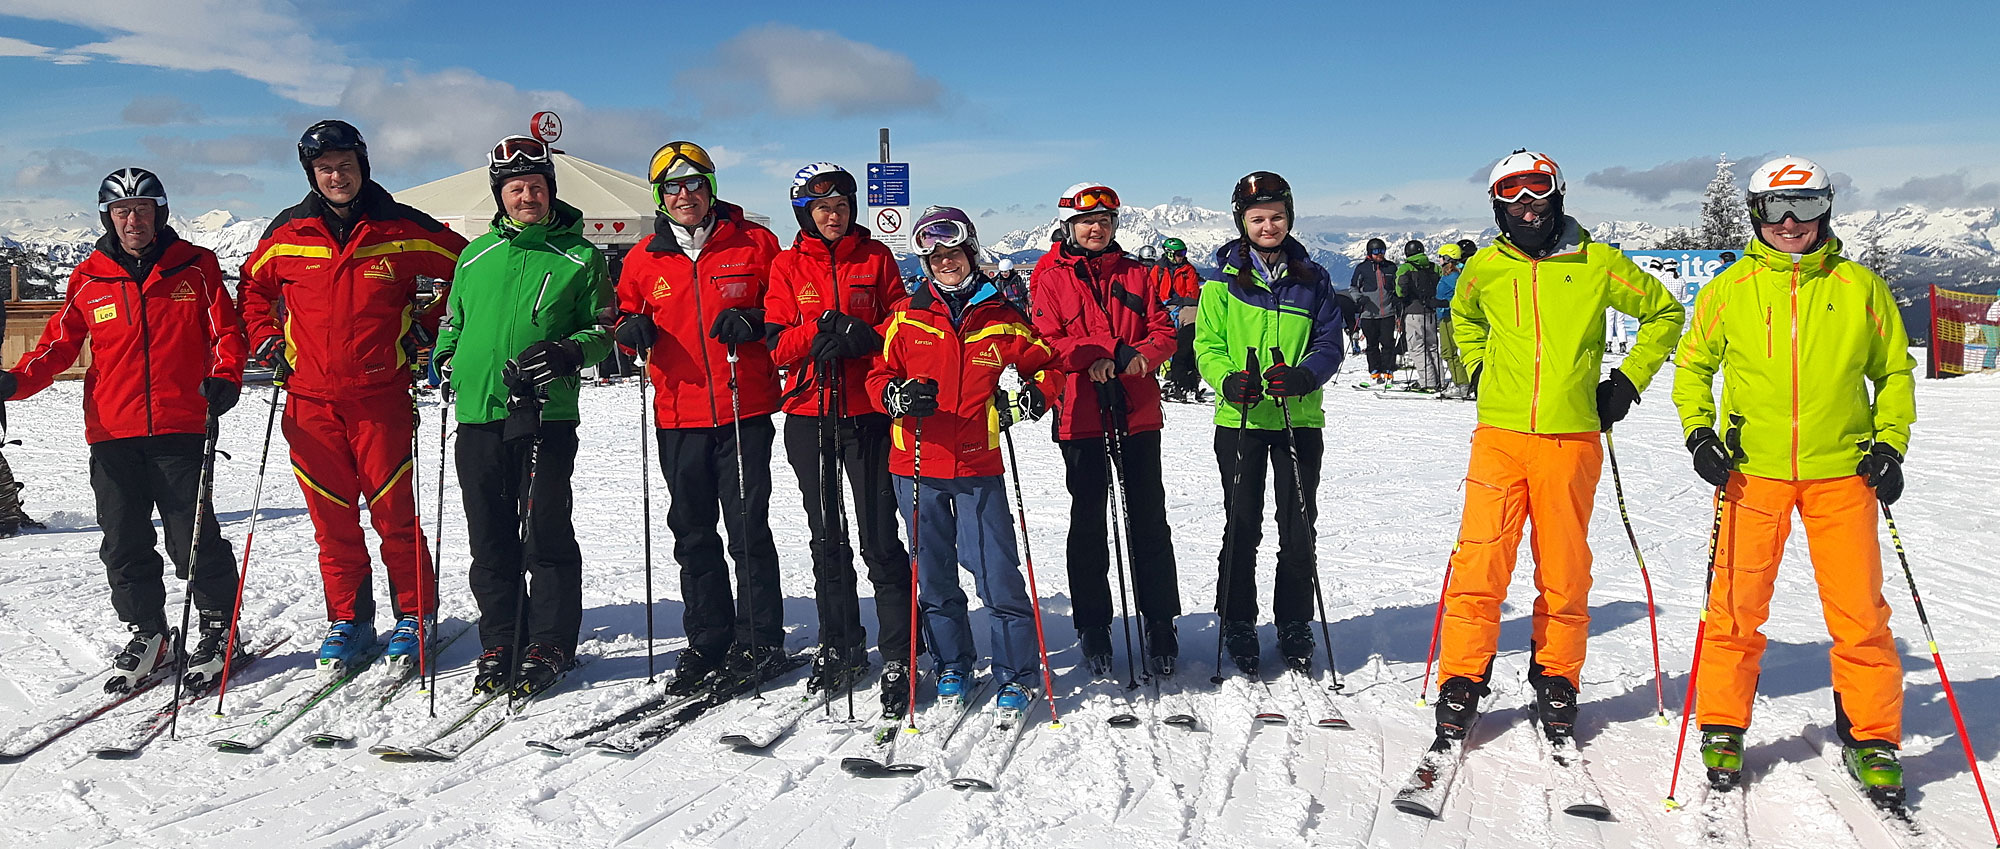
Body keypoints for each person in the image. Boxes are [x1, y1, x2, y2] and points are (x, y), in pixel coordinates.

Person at [1673, 155, 1917, 802]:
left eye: (1806, 207)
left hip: (1844, 472)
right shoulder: (1730, 290)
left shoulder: (1861, 287)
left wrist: (1889, 445)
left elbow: (1893, 373)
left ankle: (1872, 734)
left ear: (1826, 209)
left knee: (1859, 611)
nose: (1790, 222)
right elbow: (1693, 369)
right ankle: (1724, 722)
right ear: (1754, 213)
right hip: (1753, 474)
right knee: (1734, 605)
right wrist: (1700, 434)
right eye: (1777, 209)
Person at [1431, 149, 1684, 746]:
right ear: (1496, 204)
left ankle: (1556, 677)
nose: (1527, 204)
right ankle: (1463, 677)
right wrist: (1475, 368)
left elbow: (1665, 312)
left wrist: (1626, 382)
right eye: (1513, 193)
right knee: (1479, 561)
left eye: (1538, 189)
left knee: (1565, 568)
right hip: (1499, 435)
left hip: (1571, 437)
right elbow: (1461, 316)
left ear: (1558, 194)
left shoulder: (1597, 262)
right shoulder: (1484, 267)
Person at [2, 168, 246, 691]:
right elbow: (58, 345)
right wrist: (15, 382)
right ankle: (150, 633)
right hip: (113, 431)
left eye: (142, 209)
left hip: (181, 425)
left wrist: (225, 378)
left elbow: (227, 332)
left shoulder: (196, 267)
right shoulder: (90, 276)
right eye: (121, 211)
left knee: (192, 538)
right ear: (108, 217)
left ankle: (221, 629)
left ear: (160, 212)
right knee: (124, 540)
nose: (132, 219)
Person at [241, 120, 466, 674]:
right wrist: (268, 338)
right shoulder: (288, 231)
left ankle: (416, 613)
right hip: (308, 402)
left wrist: (429, 326)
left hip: (379, 398)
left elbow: (469, 269)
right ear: (311, 175)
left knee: (394, 513)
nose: (336, 177)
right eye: (324, 169)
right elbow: (253, 288)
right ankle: (350, 620)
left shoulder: (401, 226)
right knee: (332, 518)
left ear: (362, 165)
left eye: (344, 165)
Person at [431, 135, 611, 695]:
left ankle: (551, 639)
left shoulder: (581, 257)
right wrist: (444, 358)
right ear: (500, 195)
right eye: (515, 188)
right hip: (478, 412)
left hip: (546, 414)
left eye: (536, 186)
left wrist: (568, 352)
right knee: (489, 537)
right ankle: (502, 638)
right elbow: (453, 322)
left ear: (550, 191)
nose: (526, 195)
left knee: (545, 532)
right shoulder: (474, 255)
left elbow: (604, 332)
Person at [613, 140, 787, 698]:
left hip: (743, 408)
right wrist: (629, 328)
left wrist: (756, 321)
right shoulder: (644, 257)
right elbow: (626, 309)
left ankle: (760, 639)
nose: (684, 196)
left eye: (693, 185)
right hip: (678, 413)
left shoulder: (756, 243)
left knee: (746, 528)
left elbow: (787, 313)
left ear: (710, 188)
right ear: (660, 197)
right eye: (672, 188)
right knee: (691, 534)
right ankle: (708, 638)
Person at [868, 205, 1054, 715]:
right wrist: (896, 397)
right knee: (933, 573)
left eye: (954, 253)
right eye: (936, 256)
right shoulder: (906, 317)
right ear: (925, 263)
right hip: (918, 464)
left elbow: (1047, 364)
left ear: (971, 251)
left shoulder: (1002, 318)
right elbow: (877, 375)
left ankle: (1016, 672)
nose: (946, 263)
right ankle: (953, 662)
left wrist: (1036, 394)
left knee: (996, 571)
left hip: (977, 463)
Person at [762, 162, 916, 715]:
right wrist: (819, 330)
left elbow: (902, 329)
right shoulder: (785, 265)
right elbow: (777, 348)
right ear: (805, 211)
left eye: (842, 206)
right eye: (822, 207)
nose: (834, 215)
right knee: (827, 537)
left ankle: (901, 648)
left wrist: (864, 337)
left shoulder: (874, 258)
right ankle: (841, 642)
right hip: (809, 414)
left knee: (879, 536)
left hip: (867, 415)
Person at [1194, 172, 1345, 674]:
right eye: (1257, 218)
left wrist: (1304, 375)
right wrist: (1226, 380)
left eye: (1276, 216)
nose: (1268, 225)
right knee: (1242, 523)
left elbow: (1330, 343)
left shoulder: (1314, 278)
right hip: (1239, 420)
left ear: (1290, 218)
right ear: (1242, 222)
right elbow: (1207, 345)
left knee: (1298, 524)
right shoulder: (1220, 282)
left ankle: (1294, 619)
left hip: (1298, 419)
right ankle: (1237, 617)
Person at [1029, 183, 1182, 677]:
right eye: (1087, 222)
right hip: (1079, 413)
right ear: (1068, 226)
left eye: (1106, 222)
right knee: (1088, 518)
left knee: (1148, 516)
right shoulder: (1048, 275)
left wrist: (1138, 359)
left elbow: (1164, 331)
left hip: (1136, 409)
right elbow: (1048, 341)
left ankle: (1160, 619)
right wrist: (1099, 352)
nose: (1097, 229)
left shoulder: (1138, 272)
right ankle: (1092, 623)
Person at [1153, 237, 1204, 400]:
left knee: (1187, 343)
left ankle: (1188, 379)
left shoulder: (1188, 269)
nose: (1182, 256)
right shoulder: (1158, 269)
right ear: (1169, 254)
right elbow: (1152, 288)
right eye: (1179, 253)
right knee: (1170, 341)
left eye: (1183, 253)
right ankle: (1173, 375)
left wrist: (1182, 303)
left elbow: (1193, 291)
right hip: (1165, 306)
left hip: (1186, 306)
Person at [1394, 240, 1444, 391]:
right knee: (1433, 347)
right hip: (1431, 312)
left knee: (1417, 348)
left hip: (1413, 311)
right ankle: (1439, 380)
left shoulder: (1405, 268)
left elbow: (1400, 290)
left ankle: (1428, 382)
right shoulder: (1434, 267)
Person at [1348, 237, 1399, 385]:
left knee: (1388, 342)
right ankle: (1375, 371)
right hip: (1368, 313)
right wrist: (1359, 298)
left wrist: (1397, 298)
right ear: (1370, 253)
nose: (1380, 255)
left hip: (1388, 312)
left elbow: (1397, 287)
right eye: (1377, 252)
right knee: (1372, 344)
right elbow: (1353, 287)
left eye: (1382, 251)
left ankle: (1388, 370)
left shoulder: (1390, 267)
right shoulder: (1362, 268)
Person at [1433, 243, 1472, 399]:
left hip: (1448, 317)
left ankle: (1462, 384)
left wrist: (1442, 303)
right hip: (1445, 315)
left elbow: (1462, 296)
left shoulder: (1452, 277)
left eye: (1441, 257)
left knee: (1449, 352)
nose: (1439, 260)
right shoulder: (1452, 275)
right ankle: (1462, 382)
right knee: (1450, 352)